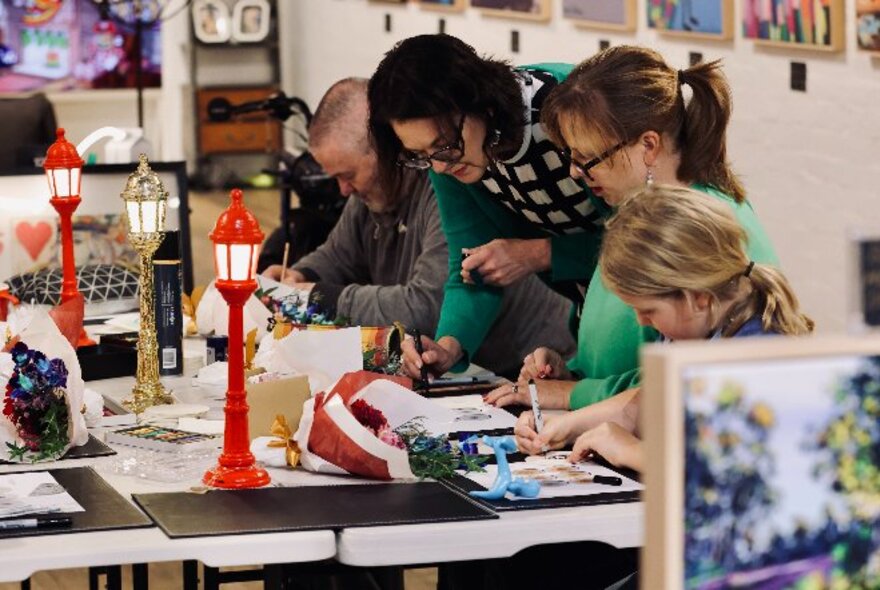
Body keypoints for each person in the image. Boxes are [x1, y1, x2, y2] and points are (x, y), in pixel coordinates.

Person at [486, 45, 780, 411]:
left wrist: (571, 395)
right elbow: (618, 355)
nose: (575, 173)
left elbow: (680, 386)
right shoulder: (641, 217)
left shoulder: (697, 228)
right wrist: (569, 373)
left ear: (648, 145)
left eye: (588, 159)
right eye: (570, 157)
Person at [263, 78, 575, 377]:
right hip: (467, 365)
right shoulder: (370, 192)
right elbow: (339, 255)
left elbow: (427, 308)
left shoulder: (447, 185)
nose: (343, 190)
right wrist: (301, 275)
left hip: (535, 364)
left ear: (382, 151)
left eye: (348, 175)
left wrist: (320, 296)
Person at [515, 185, 814, 470]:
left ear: (697, 298)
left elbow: (726, 463)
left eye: (648, 310)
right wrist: (566, 426)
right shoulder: (692, 330)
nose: (640, 321)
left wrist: (634, 451)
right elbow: (648, 402)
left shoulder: (755, 353)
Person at [367, 34, 605, 379]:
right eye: (419, 155)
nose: (439, 167)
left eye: (443, 146)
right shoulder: (450, 156)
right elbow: (470, 266)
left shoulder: (564, 111)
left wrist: (540, 253)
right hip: (595, 309)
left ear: (482, 104)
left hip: (657, 302)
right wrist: (449, 346)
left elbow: (648, 243)